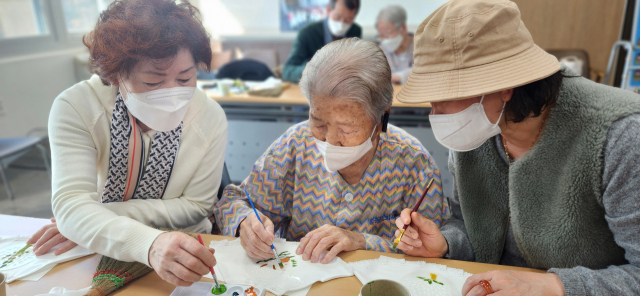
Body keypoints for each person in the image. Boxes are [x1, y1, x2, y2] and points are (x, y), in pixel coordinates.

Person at [393, 0, 640, 295]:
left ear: (504, 86)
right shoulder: (477, 127)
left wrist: (554, 286)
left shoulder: (620, 135)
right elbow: (470, 223)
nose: (436, 112)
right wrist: (446, 243)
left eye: (444, 95)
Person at [27, 0, 228, 287]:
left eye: (185, 78)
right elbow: (71, 204)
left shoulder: (209, 117)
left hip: (186, 249)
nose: (172, 95)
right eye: (153, 83)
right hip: (100, 246)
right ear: (116, 74)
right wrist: (146, 242)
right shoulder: (78, 107)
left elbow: (196, 205)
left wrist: (90, 219)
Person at [214, 38, 449, 264]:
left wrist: (362, 241)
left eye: (347, 128)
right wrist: (244, 222)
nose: (329, 140)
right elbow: (234, 201)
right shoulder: (297, 143)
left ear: (382, 116)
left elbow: (430, 253)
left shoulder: (414, 164)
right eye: (318, 122)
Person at [281, 0, 362, 83]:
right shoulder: (307, 33)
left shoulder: (355, 31)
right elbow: (287, 72)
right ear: (328, 10)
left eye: (348, 19)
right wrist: (311, 70)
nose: (341, 24)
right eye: (337, 17)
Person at [376, 5, 413, 84]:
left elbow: (424, 72)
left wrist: (396, 77)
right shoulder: (381, 51)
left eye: (388, 33)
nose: (385, 40)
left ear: (403, 28)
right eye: (382, 35)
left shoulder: (421, 46)